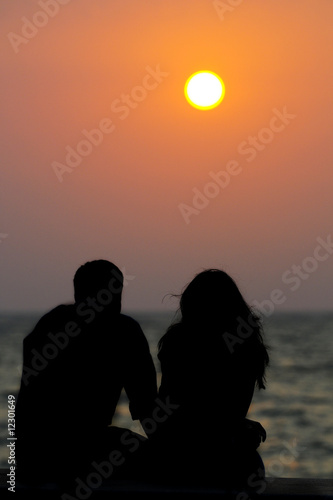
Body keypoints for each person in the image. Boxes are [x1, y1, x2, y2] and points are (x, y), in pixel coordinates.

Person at [15, 260, 157, 484]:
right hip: (79, 448)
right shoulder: (125, 332)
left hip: (36, 453)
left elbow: (24, 409)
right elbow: (147, 406)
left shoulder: (49, 324)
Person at [149, 269, 270, 487]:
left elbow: (166, 416)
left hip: (177, 459)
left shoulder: (179, 343)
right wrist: (235, 427)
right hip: (230, 460)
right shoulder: (247, 347)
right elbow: (226, 413)